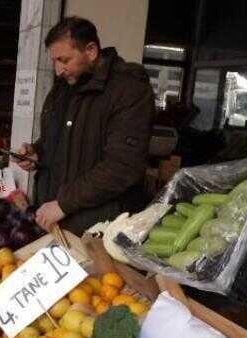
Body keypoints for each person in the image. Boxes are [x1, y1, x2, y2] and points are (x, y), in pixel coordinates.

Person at [13, 16, 155, 235]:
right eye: (54, 61)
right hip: (54, 222)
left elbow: (123, 166)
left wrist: (63, 203)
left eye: (64, 60)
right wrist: (38, 152)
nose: (58, 70)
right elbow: (61, 138)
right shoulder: (64, 86)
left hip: (96, 228)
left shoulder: (129, 89)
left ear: (90, 51)